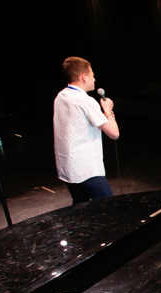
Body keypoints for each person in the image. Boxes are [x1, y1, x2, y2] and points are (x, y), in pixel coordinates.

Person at [53, 56, 120, 205]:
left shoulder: (61, 96)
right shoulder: (86, 101)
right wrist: (108, 111)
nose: (94, 79)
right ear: (84, 76)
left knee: (80, 208)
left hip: (68, 168)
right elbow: (114, 133)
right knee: (109, 207)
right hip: (87, 170)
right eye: (92, 75)